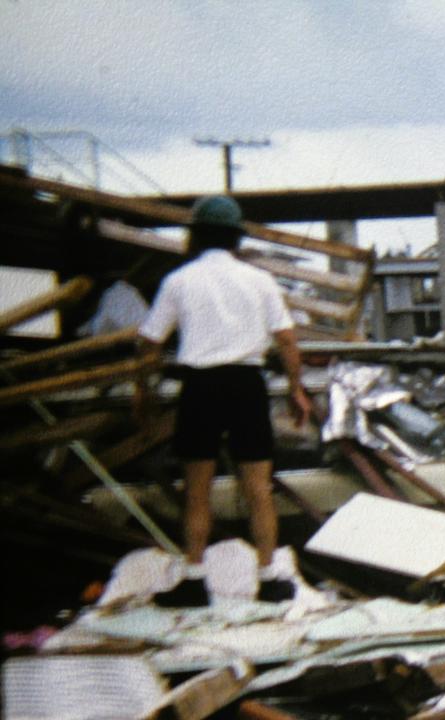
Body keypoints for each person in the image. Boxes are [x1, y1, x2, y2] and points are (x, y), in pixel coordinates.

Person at [137, 194, 312, 607]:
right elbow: (286, 340)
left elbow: (147, 343)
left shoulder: (179, 280)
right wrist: (297, 389)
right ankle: (269, 578)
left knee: (196, 490)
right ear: (236, 239)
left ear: (196, 236)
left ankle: (196, 579)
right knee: (258, 487)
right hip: (246, 386)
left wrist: (142, 393)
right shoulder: (260, 280)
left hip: (201, 387)